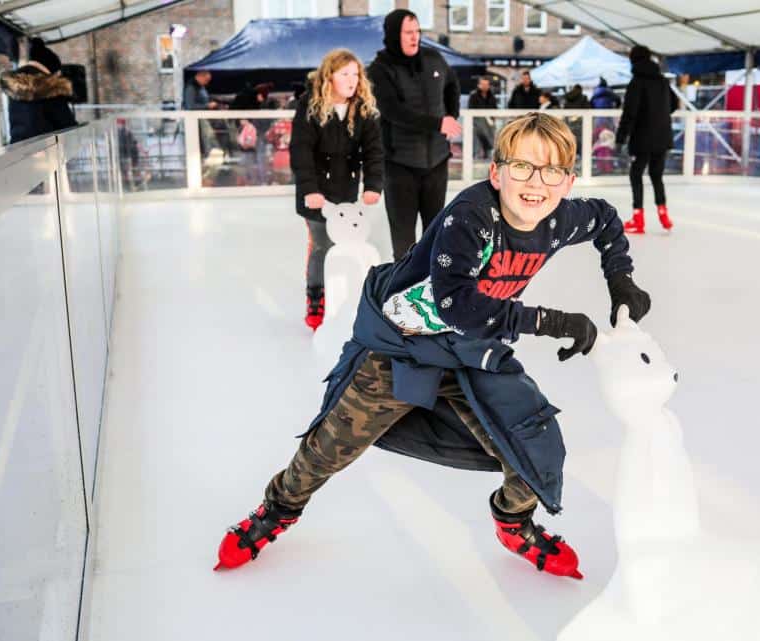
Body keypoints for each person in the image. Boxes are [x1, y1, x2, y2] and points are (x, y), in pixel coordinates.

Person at [215, 113, 652, 581]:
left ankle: (512, 522)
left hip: (474, 346)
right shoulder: (472, 218)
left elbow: (606, 220)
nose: (535, 183)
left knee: (535, 446)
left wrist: (621, 281)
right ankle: (278, 509)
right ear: (497, 173)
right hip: (404, 343)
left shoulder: (561, 220)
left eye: (550, 171)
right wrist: (550, 321)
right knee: (329, 448)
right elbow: (454, 302)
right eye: (522, 167)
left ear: (567, 182)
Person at [290, 49, 384, 330]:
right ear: (329, 77)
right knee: (321, 245)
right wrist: (310, 189)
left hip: (346, 194)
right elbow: (300, 151)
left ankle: (346, 297)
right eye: (345, 74)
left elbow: (374, 150)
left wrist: (373, 185)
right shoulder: (310, 106)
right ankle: (316, 297)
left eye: (356, 74)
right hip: (316, 193)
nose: (352, 80)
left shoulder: (363, 108)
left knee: (347, 246)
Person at [368, 9, 461, 260]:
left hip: (436, 163)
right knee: (404, 239)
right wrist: (438, 124)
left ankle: (432, 287)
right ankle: (403, 290)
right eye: (408, 32)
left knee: (435, 233)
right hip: (400, 166)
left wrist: (451, 114)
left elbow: (453, 84)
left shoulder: (433, 59)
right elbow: (393, 112)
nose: (414, 37)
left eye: (417, 31)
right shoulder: (379, 70)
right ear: (393, 35)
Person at [616, 45, 678, 233]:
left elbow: (630, 113)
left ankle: (638, 218)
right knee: (656, 175)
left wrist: (620, 138)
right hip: (662, 136)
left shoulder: (637, 82)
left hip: (643, 137)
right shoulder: (663, 82)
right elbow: (674, 104)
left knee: (636, 175)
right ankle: (663, 214)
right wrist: (659, 115)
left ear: (633, 60)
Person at [0, 38, 77, 144]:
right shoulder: (51, 87)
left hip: (18, 149)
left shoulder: (15, 83)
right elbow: (67, 125)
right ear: (51, 69)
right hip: (46, 150)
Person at [468, 76, 497, 160]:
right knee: (481, 129)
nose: (484, 86)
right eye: (483, 84)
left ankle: (488, 151)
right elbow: (471, 110)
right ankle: (486, 149)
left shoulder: (492, 96)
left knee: (489, 128)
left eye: (486, 84)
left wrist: (492, 118)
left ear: (488, 85)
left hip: (489, 123)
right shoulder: (473, 96)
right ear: (479, 85)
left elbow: (495, 110)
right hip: (476, 122)